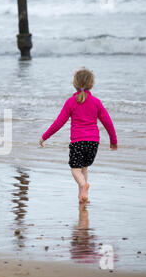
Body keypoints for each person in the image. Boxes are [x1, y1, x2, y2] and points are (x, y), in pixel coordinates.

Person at [39, 68, 117, 203]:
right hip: (93, 142)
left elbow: (59, 122)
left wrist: (45, 136)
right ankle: (83, 196)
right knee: (84, 168)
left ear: (74, 84)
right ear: (92, 84)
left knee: (75, 170)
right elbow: (107, 122)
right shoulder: (96, 102)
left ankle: (83, 186)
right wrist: (113, 140)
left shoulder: (71, 102)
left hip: (78, 142)